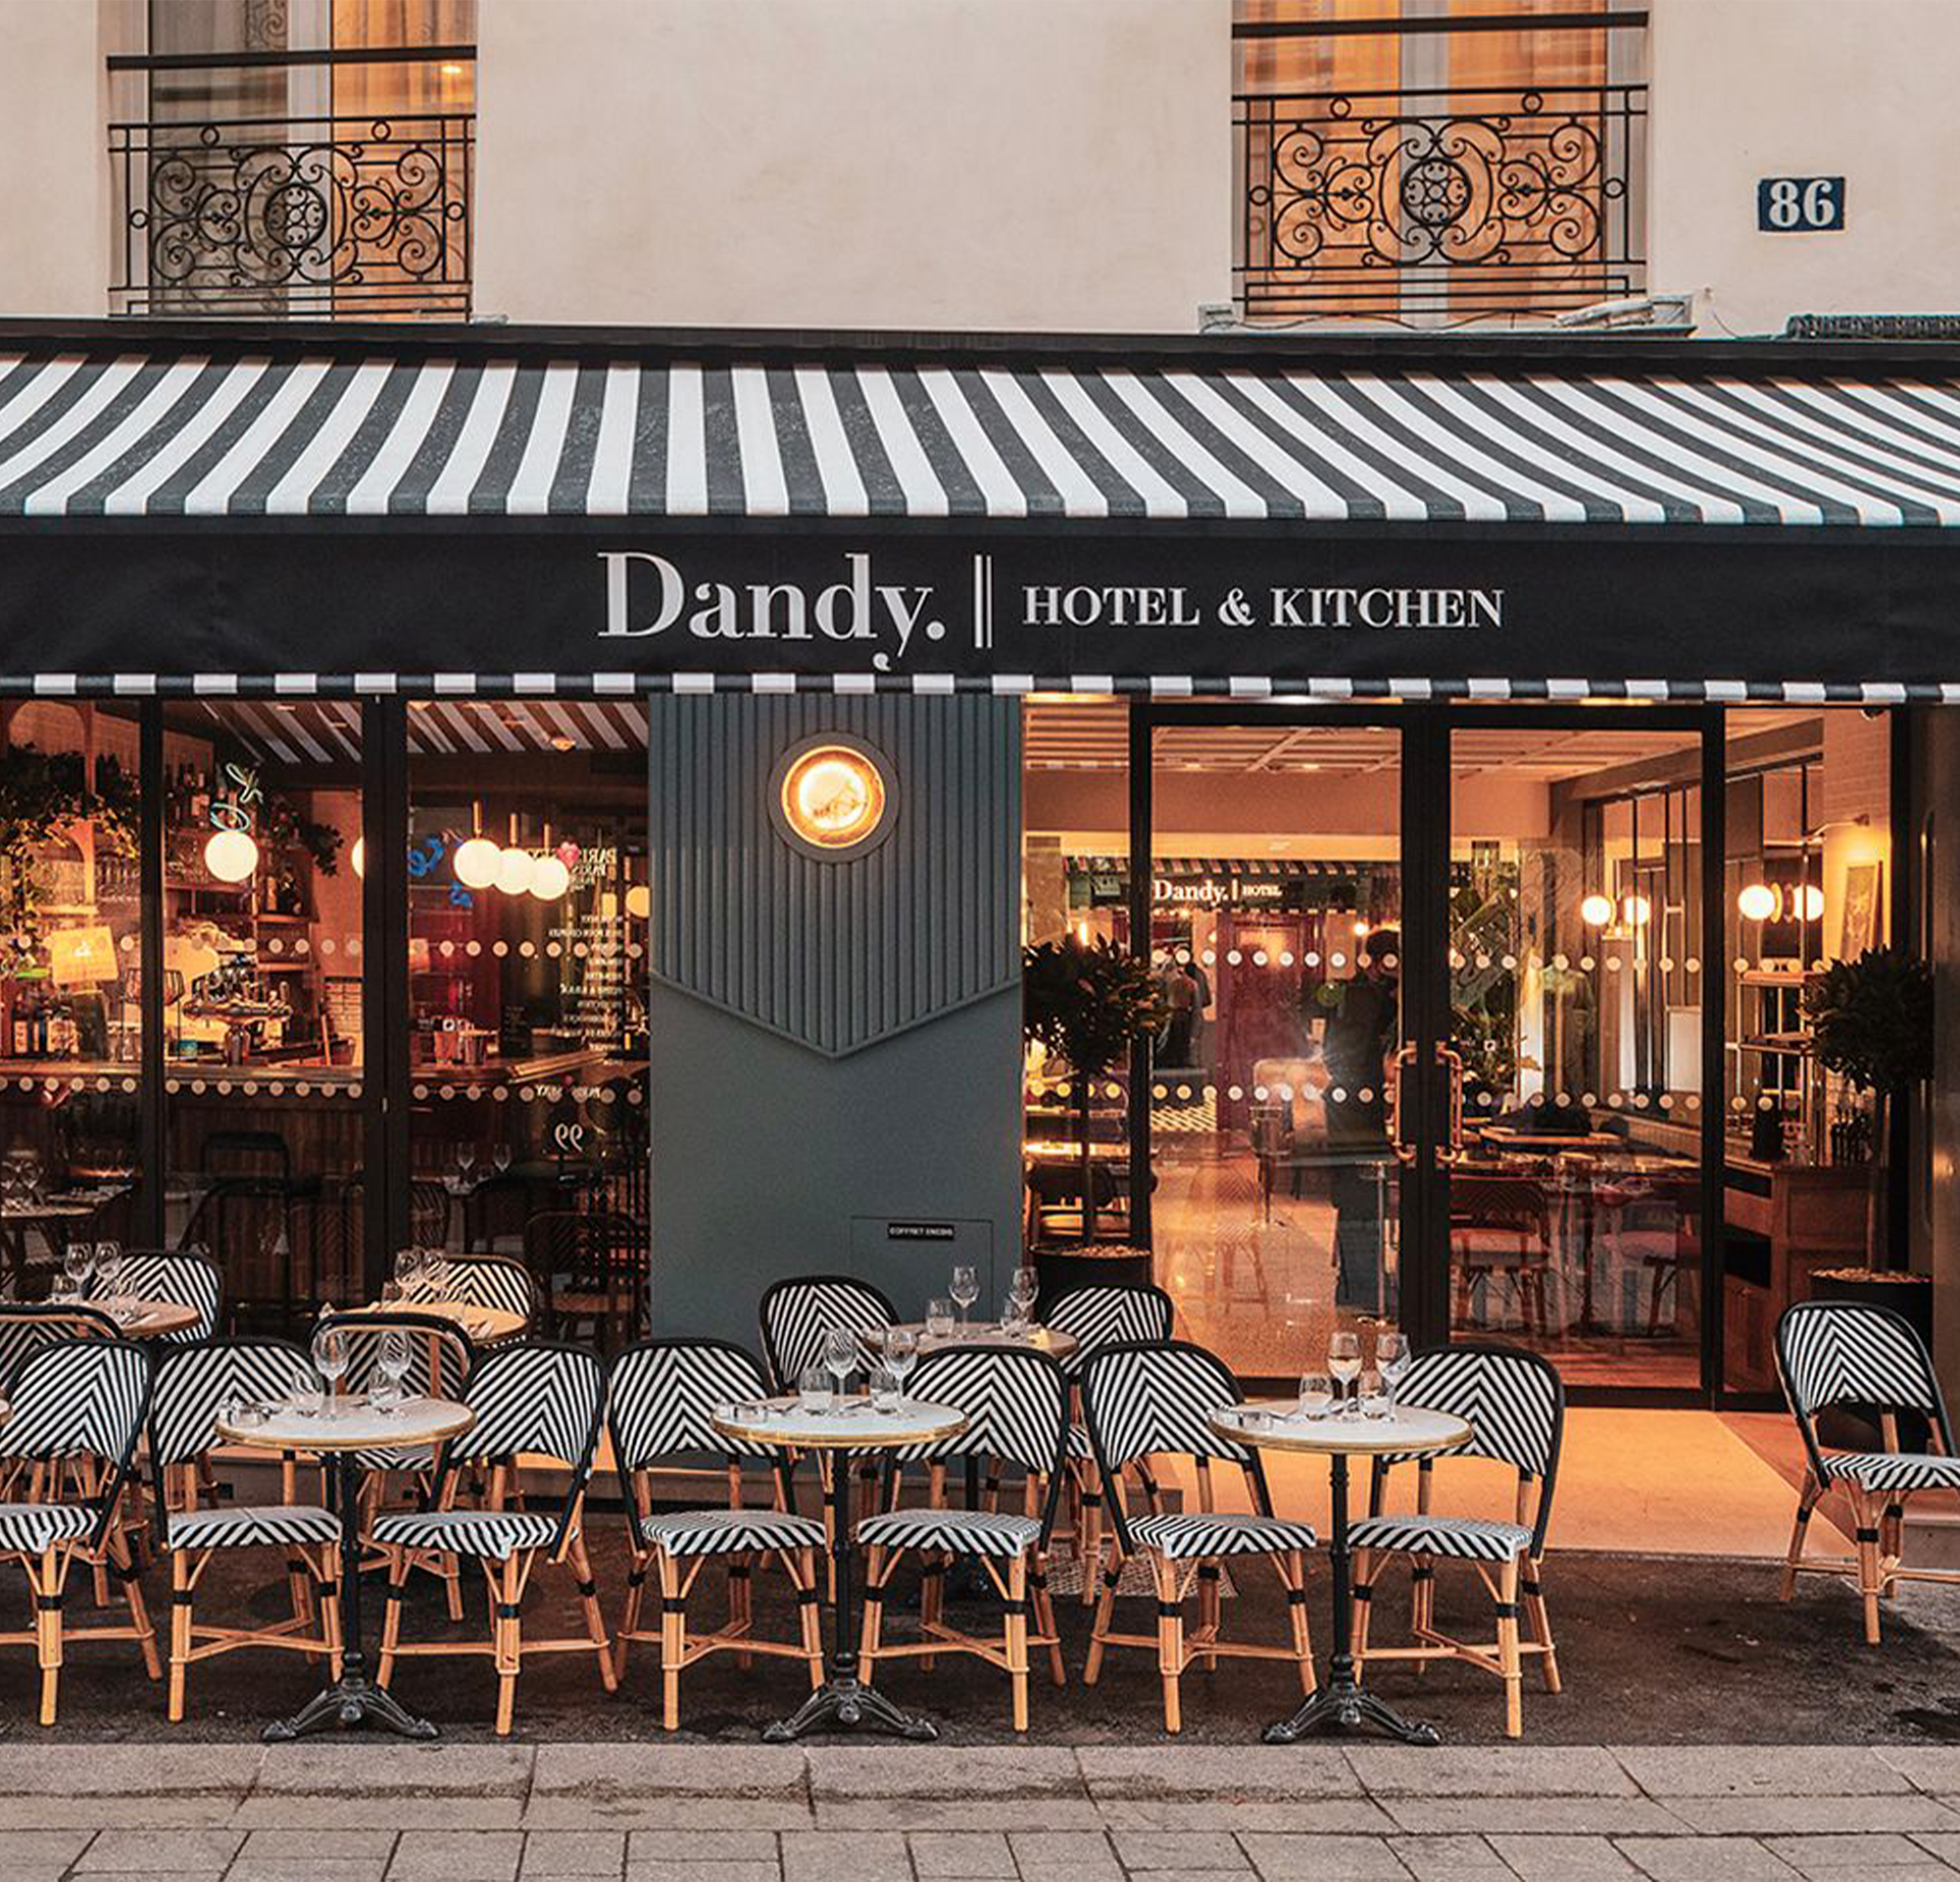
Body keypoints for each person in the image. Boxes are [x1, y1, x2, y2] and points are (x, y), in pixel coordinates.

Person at [1320, 926, 1399, 1312]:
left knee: (1358, 1191)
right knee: (1361, 1190)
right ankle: (1362, 1284)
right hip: (1354, 1103)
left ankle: (1358, 1282)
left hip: (1347, 1100)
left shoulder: (1351, 992)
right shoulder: (1371, 998)